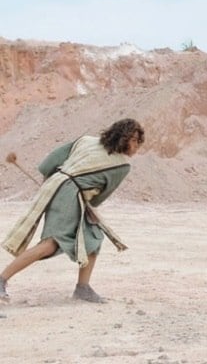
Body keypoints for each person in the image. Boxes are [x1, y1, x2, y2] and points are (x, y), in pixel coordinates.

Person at [0, 118, 144, 304]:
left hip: (56, 188)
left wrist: (58, 183)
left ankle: (83, 288)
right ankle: (1, 279)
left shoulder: (85, 141)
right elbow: (99, 198)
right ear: (126, 139)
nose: (137, 146)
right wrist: (74, 190)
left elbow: (46, 165)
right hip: (70, 198)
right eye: (136, 141)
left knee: (93, 236)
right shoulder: (121, 166)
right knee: (50, 244)